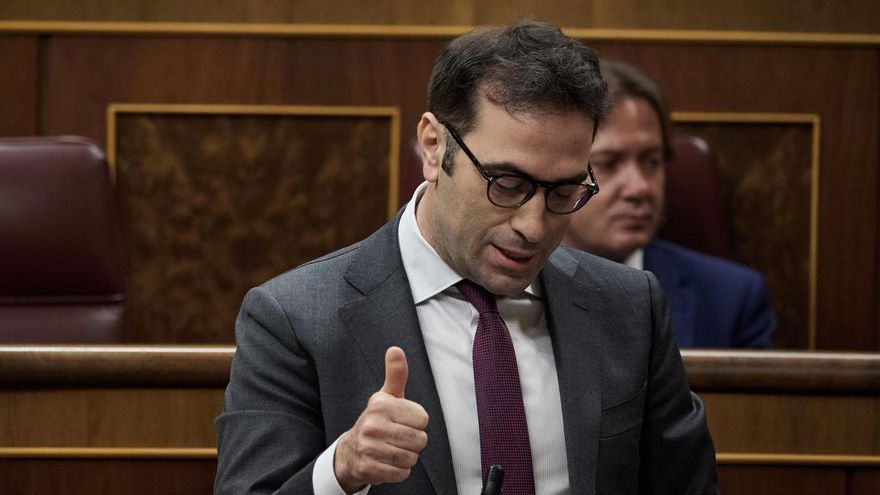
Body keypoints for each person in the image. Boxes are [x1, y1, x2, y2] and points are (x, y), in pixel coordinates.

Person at [215, 21, 718, 495]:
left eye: (564, 192)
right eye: (507, 185)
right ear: (434, 147)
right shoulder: (295, 319)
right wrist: (341, 470)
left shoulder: (629, 306)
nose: (533, 226)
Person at [563, 59, 776, 349]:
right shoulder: (512, 284)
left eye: (652, 162)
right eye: (608, 164)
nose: (640, 188)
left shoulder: (732, 300)